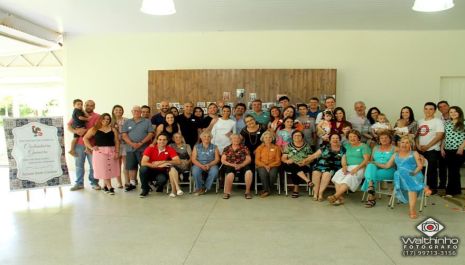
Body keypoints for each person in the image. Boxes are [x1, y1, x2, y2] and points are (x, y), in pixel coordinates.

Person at [377, 136, 431, 219]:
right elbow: (387, 166)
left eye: (407, 143)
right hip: (400, 178)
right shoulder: (395, 155)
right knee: (400, 172)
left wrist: (414, 172)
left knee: (409, 184)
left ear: (410, 145)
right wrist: (374, 163)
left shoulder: (414, 153)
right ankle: (423, 187)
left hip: (415, 174)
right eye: (402, 142)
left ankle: (412, 209)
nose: (404, 144)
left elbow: (420, 166)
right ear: (399, 144)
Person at [329, 130, 371, 205]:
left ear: (358, 138)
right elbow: (343, 157)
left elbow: (366, 160)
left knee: (349, 178)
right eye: (350, 137)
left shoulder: (364, 146)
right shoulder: (347, 146)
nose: (352, 138)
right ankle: (340, 198)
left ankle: (335, 196)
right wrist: (344, 166)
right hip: (348, 166)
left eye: (354, 136)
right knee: (338, 175)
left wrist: (356, 169)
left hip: (361, 167)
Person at [67, 100, 101, 191]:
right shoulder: (78, 113)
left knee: (93, 165)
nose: (89, 107)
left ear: (94, 106)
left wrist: (86, 132)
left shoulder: (98, 116)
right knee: (79, 165)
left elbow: (98, 129)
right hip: (78, 144)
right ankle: (79, 183)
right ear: (84, 105)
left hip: (92, 145)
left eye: (91, 105)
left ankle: (94, 183)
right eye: (87, 105)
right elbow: (69, 125)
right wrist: (76, 131)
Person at [83, 113, 120, 195]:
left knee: (109, 169)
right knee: (104, 169)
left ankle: (105, 186)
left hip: (111, 151)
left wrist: (117, 152)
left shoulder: (113, 129)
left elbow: (117, 141)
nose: (106, 120)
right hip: (100, 152)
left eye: (108, 119)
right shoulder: (94, 129)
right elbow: (85, 138)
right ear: (100, 119)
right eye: (104, 119)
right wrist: (91, 147)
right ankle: (110, 187)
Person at [122, 105, 155, 192]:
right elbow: (124, 134)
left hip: (144, 149)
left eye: (138, 111)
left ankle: (146, 184)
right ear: (132, 112)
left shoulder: (147, 121)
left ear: (141, 112)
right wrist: (132, 144)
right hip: (130, 148)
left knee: (144, 167)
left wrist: (140, 143)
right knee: (131, 167)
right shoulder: (127, 122)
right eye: (134, 111)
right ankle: (132, 184)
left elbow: (151, 134)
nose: (136, 112)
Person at [139, 133, 181, 198]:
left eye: (164, 140)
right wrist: (154, 166)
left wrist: (164, 161)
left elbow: (178, 161)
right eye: (160, 139)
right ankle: (145, 189)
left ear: (167, 141)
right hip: (150, 169)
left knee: (162, 180)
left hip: (161, 171)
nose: (162, 141)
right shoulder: (150, 149)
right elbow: (143, 162)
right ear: (157, 140)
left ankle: (158, 185)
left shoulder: (169, 149)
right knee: (143, 169)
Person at [360, 131, 396, 208]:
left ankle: (371, 195)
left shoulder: (395, 149)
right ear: (379, 140)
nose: (384, 139)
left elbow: (389, 165)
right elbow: (371, 161)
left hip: (389, 170)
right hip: (375, 169)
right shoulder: (375, 148)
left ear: (390, 139)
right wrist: (372, 163)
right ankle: (371, 190)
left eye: (386, 138)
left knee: (370, 174)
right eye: (381, 138)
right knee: (370, 166)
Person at [416, 102, 444, 194]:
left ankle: (432, 189)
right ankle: (422, 188)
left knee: (431, 170)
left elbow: (439, 135)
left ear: (435, 111)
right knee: (421, 169)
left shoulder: (438, 121)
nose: (428, 111)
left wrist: (428, 146)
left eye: (431, 109)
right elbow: (416, 136)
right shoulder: (419, 121)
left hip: (432, 150)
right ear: (423, 110)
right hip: (420, 150)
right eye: (426, 108)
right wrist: (417, 145)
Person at [281, 130, 315, 198]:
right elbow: (283, 158)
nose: (297, 137)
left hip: (303, 165)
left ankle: (296, 190)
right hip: (289, 164)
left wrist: (305, 162)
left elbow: (311, 158)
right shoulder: (288, 146)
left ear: (302, 137)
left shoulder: (307, 146)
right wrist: (287, 161)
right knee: (292, 165)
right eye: (295, 135)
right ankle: (307, 180)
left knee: (295, 169)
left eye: (299, 135)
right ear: (292, 137)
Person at [311, 133, 345, 201]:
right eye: (333, 138)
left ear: (340, 140)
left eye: (337, 138)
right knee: (315, 172)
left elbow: (344, 160)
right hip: (320, 165)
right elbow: (315, 155)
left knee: (327, 174)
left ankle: (320, 194)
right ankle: (315, 193)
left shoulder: (343, 149)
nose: (335, 140)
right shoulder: (324, 147)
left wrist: (344, 167)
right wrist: (305, 160)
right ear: (329, 140)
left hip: (333, 167)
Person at [441, 106, 465, 197]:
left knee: (453, 170)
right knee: (452, 170)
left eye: (455, 112)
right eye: (451, 112)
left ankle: (450, 191)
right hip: (448, 149)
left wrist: (461, 147)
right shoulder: (447, 123)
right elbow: (444, 137)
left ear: (459, 113)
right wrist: (442, 148)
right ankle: (457, 190)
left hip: (459, 150)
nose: (453, 113)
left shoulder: (463, 122)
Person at [221, 134, 253, 199]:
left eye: (238, 138)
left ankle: (247, 192)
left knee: (249, 172)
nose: (236, 140)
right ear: (231, 140)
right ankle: (227, 192)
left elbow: (249, 159)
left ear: (240, 140)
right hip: (230, 165)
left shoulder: (244, 148)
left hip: (243, 164)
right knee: (230, 174)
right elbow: (223, 160)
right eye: (234, 138)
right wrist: (232, 165)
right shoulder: (227, 148)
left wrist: (241, 165)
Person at [255, 131, 282, 197]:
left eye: (270, 137)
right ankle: (268, 190)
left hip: (274, 165)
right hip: (261, 165)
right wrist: (265, 166)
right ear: (263, 138)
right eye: (266, 137)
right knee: (263, 173)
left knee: (272, 174)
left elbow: (278, 160)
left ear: (272, 138)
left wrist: (269, 166)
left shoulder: (276, 148)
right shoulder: (259, 148)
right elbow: (257, 160)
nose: (268, 139)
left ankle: (266, 190)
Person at [111, 104, 128, 188]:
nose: (118, 111)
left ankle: (127, 182)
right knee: (117, 164)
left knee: (126, 164)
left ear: (122, 111)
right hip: (114, 145)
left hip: (125, 144)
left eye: (120, 110)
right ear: (113, 111)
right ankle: (119, 183)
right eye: (116, 110)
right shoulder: (110, 121)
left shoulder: (126, 120)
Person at [437, 100, 450, 193]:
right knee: (442, 167)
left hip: (454, 146)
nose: (443, 108)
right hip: (442, 146)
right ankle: (442, 184)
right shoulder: (439, 120)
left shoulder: (455, 117)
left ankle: (452, 186)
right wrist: (441, 147)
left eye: (444, 106)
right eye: (440, 107)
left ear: (448, 106)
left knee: (453, 168)